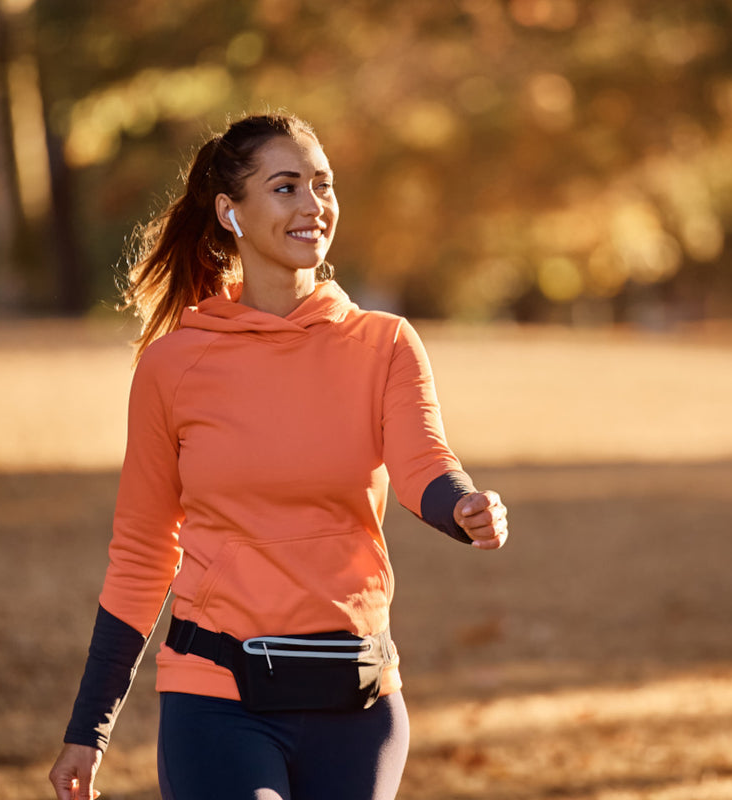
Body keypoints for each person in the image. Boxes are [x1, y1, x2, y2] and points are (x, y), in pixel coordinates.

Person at [47, 113, 509, 800]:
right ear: (230, 212)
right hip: (217, 699)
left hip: (357, 698)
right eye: (286, 187)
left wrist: (461, 505)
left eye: (322, 185)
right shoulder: (174, 365)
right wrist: (91, 727)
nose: (313, 205)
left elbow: (422, 462)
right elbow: (145, 551)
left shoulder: (384, 343)